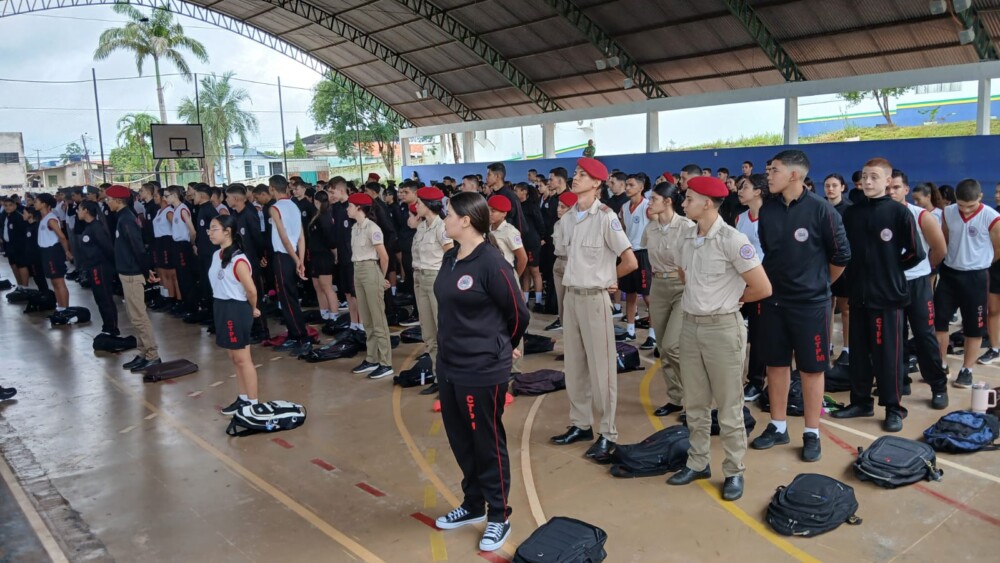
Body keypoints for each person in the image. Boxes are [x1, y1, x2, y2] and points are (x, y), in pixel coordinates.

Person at [432, 192, 529, 553]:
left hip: (482, 367)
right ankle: (473, 504)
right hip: (450, 365)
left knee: (487, 442)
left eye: (449, 214)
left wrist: (505, 344)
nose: (445, 218)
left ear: (466, 221)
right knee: (460, 438)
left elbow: (519, 313)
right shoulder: (450, 258)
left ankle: (498, 514)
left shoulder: (492, 263)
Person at [667, 176, 771, 502]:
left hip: (723, 329)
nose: (684, 203)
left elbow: (762, 287)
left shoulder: (732, 239)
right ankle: (698, 462)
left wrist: (731, 301)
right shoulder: (687, 237)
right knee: (695, 403)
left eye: (689, 199)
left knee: (728, 408)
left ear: (708, 203)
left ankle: (734, 470)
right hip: (691, 325)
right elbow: (686, 274)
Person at [751, 150, 850, 463]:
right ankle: (778, 426)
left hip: (810, 305)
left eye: (774, 170)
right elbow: (770, 252)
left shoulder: (822, 211)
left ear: (794, 175)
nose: (769, 175)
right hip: (774, 301)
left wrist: (818, 285)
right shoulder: (768, 210)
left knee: (811, 369)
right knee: (776, 365)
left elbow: (841, 257)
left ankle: (811, 432)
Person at [550, 157, 637, 464]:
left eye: (582, 175)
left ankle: (607, 432)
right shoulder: (570, 217)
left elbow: (630, 260)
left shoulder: (606, 217)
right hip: (572, 296)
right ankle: (580, 424)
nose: (575, 178)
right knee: (574, 366)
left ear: (597, 184)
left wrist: (609, 279)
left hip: (594, 297)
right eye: (575, 173)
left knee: (602, 371)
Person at [831, 159, 925, 432]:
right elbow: (843, 251)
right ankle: (860, 401)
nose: (868, 182)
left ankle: (894, 407)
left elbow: (915, 252)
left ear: (887, 181)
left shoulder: (899, 213)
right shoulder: (852, 213)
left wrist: (891, 271)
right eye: (865, 177)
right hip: (858, 294)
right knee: (859, 353)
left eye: (875, 177)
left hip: (887, 298)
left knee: (888, 355)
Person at [886, 170, 949, 409]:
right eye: (888, 188)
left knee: (924, 335)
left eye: (896, 188)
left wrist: (926, 269)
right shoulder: (878, 215)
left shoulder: (921, 216)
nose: (891, 192)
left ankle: (938, 385)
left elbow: (939, 249)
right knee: (895, 337)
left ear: (905, 190)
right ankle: (900, 380)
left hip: (918, 283)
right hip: (890, 285)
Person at [934, 179, 1000, 388]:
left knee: (974, 327)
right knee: (938, 322)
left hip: (976, 277)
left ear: (980, 197)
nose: (965, 209)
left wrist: (983, 263)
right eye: (961, 205)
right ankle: (941, 363)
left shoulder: (992, 217)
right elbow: (943, 239)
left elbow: (998, 246)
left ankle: (967, 369)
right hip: (950, 274)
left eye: (970, 206)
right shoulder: (948, 212)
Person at [643, 181, 693, 417]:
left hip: (682, 286)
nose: (649, 202)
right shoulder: (650, 228)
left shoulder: (686, 227)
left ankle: (697, 392)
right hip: (658, 286)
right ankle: (676, 397)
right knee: (663, 347)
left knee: (673, 344)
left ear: (668, 201)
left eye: (653, 199)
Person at [207, 215, 265, 416]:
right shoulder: (218, 255)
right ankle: (243, 399)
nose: (209, 232)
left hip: (236, 308)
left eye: (214, 228)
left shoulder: (238, 259)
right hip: (221, 306)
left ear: (227, 232)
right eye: (209, 229)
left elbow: (251, 290)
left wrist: (253, 307)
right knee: (234, 357)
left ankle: (253, 403)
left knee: (243, 359)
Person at [106, 185, 162, 373]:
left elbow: (138, 247)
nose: (107, 203)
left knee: (139, 316)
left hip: (132, 273)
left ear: (118, 201)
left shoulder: (127, 220)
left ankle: (153, 355)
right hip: (126, 272)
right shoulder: (122, 217)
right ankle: (143, 352)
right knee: (133, 315)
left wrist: (147, 271)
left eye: (109, 199)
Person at [410, 187, 453, 393]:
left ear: (428, 205)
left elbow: (450, 256)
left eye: (418, 203)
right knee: (429, 333)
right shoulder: (422, 227)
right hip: (419, 278)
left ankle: (449, 378)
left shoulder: (441, 228)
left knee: (443, 331)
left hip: (435, 279)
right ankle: (438, 377)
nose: (415, 206)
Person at [347, 192, 393, 380]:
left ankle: (386, 362)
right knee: (366, 318)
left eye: (350, 205)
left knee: (378, 319)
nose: (347, 208)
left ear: (359, 208)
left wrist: (380, 278)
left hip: (370, 270)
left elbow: (384, 257)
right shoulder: (355, 228)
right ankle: (372, 357)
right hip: (358, 270)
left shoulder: (372, 228)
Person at [268, 175, 311, 356]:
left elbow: (285, 238)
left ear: (272, 189)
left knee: (287, 299)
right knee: (290, 297)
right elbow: (301, 237)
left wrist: (295, 260)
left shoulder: (275, 208)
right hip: (293, 256)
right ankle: (295, 334)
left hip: (283, 256)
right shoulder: (294, 205)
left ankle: (301, 337)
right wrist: (300, 260)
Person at [735, 174, 770, 402]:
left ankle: (756, 381)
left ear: (758, 191)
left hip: (764, 281)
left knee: (759, 334)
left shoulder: (771, 217)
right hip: (742, 279)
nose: (739, 190)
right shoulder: (740, 219)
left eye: (744, 187)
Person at [618, 173, 653, 346]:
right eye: (626, 185)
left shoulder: (648, 206)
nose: (627, 188)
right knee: (630, 294)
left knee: (647, 296)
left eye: (631, 185)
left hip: (644, 253)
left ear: (641, 187)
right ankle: (630, 331)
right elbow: (623, 229)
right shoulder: (624, 207)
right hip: (629, 252)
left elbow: (656, 226)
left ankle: (653, 335)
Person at [76, 201, 119, 336]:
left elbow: (108, 248)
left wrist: (113, 266)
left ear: (86, 211)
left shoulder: (97, 227)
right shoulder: (88, 227)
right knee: (99, 298)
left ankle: (112, 327)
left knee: (105, 297)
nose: (77, 212)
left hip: (100, 267)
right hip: (92, 267)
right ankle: (107, 325)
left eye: (79, 209)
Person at [824, 173, 853, 366]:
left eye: (835, 185)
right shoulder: (820, 207)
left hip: (844, 266)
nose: (830, 189)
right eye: (827, 185)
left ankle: (847, 348)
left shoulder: (850, 210)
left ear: (842, 187)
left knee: (846, 309)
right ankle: (826, 345)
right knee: (827, 306)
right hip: (824, 264)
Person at [34, 193, 74, 319]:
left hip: (53, 252)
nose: (35, 204)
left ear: (44, 204)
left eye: (37, 202)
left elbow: (62, 236)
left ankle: (65, 309)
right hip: (45, 252)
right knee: (54, 282)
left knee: (59, 281)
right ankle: (60, 307)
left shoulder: (51, 219)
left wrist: (67, 251)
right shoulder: (43, 219)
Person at [306, 190, 339, 325]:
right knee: (317, 286)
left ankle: (334, 315)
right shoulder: (317, 215)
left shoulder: (325, 216)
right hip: (315, 255)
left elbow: (330, 239)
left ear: (316, 201)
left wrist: (335, 253)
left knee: (327, 287)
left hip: (324, 256)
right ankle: (324, 313)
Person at [165, 186, 197, 317]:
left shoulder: (183, 209)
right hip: (176, 245)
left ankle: (192, 307)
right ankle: (186, 304)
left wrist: (192, 244)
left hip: (183, 245)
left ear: (174, 195)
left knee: (186, 277)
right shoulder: (176, 209)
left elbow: (192, 230)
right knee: (181, 277)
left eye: (167, 196)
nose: (165, 198)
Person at [550, 190, 578, 331]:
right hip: (559, 263)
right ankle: (566, 334)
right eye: (558, 206)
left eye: (563, 207)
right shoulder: (557, 224)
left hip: (571, 263)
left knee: (571, 304)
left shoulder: (577, 226)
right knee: (561, 304)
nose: (558, 209)